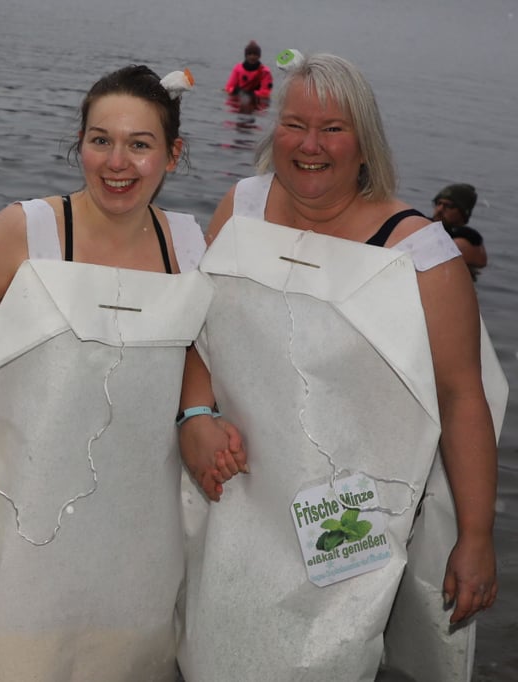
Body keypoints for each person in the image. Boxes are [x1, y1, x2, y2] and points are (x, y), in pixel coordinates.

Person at [0, 65, 240, 681]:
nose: (118, 162)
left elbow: (191, 344)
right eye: (100, 139)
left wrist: (197, 414)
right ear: (78, 143)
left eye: (140, 145)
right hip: (14, 517)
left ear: (173, 154)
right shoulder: (27, 230)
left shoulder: (188, 246)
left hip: (133, 526)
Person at [177, 52, 501, 681]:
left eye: (333, 128)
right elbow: (194, 331)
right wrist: (195, 414)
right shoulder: (240, 210)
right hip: (231, 494)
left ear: (365, 144)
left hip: (348, 526)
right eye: (295, 124)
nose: (310, 145)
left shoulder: (421, 256)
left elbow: (464, 397)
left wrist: (477, 535)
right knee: (206, 653)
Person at [432, 182, 487, 280]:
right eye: (438, 203)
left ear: (463, 212)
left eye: (449, 206)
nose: (440, 209)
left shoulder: (463, 242)